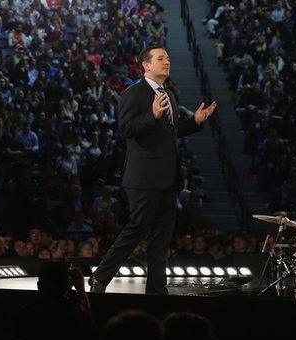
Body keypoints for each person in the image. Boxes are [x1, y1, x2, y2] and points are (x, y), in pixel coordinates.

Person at [89, 44, 217, 295]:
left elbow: (172, 132)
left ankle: (157, 289)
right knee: (136, 228)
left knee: (161, 237)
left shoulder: (168, 93)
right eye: (160, 58)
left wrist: (195, 122)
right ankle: (100, 278)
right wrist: (153, 115)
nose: (167, 62)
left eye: (168, 58)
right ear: (146, 65)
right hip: (144, 177)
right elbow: (126, 128)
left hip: (169, 178)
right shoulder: (133, 93)